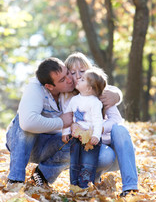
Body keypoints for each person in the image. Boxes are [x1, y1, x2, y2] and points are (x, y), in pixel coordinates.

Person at [5, 56, 121, 189]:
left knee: (78, 141)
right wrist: (61, 122)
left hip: (55, 145)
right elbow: (27, 123)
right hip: (29, 146)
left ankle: (42, 175)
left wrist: (117, 95)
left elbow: (98, 83)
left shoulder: (79, 89)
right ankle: (15, 179)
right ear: (50, 86)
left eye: (67, 73)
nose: (70, 79)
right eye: (63, 79)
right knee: (26, 124)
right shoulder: (37, 87)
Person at [63, 52, 138, 197]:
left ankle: (130, 187)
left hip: (110, 143)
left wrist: (100, 128)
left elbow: (116, 119)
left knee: (120, 129)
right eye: (73, 72)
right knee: (103, 156)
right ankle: (91, 181)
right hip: (89, 148)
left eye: (82, 72)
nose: (78, 75)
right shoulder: (70, 98)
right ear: (68, 76)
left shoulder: (101, 93)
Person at [62, 67, 107, 188]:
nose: (78, 79)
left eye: (82, 79)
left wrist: (96, 136)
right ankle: (74, 186)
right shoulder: (74, 100)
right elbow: (68, 116)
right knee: (74, 163)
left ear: (89, 88)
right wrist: (65, 132)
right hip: (76, 138)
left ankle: (84, 187)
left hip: (90, 139)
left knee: (88, 164)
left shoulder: (95, 102)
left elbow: (98, 121)